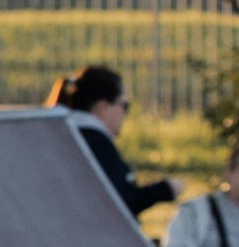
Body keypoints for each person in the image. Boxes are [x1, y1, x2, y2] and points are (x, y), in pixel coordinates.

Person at [48, 66, 181, 220]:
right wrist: (164, 189)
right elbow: (117, 204)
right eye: (124, 105)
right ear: (103, 107)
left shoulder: (63, 135)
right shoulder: (96, 144)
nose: (125, 114)